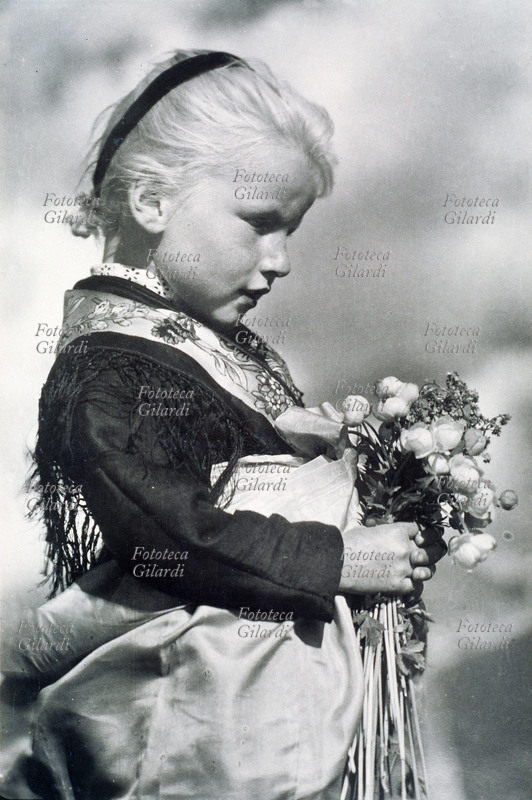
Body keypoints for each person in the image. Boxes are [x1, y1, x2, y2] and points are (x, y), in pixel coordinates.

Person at [0, 50, 442, 800]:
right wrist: (335, 558)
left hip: (267, 718)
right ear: (150, 203)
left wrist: (284, 449)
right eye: (259, 222)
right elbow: (166, 531)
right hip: (199, 737)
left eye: (292, 230)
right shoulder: (109, 363)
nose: (282, 260)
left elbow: (207, 487)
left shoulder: (200, 348)